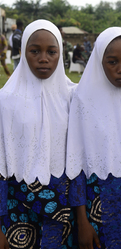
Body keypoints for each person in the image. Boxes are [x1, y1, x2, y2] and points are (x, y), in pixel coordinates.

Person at [66, 27, 121, 248]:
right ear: (98, 61)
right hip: (98, 199)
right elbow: (76, 162)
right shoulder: (83, 99)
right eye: (112, 62)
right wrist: (81, 219)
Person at [0, 19, 78, 248]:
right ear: (24, 53)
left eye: (51, 52)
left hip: (61, 206)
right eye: (35, 51)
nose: (43, 58)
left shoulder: (72, 97)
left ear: (60, 53)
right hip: (17, 206)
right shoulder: (6, 100)